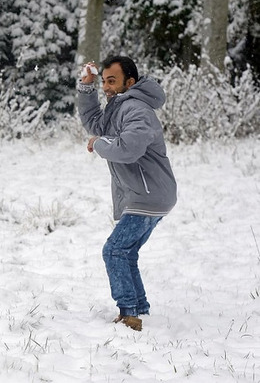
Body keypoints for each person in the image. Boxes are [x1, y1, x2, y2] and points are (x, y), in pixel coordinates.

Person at [77, 55, 177, 331]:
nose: (106, 87)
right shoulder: (120, 106)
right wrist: (87, 87)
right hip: (146, 193)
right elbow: (96, 124)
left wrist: (98, 144)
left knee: (114, 250)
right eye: (104, 81)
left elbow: (128, 149)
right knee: (126, 251)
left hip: (148, 194)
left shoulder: (136, 109)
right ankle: (139, 306)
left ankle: (129, 315)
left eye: (112, 81)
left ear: (129, 82)